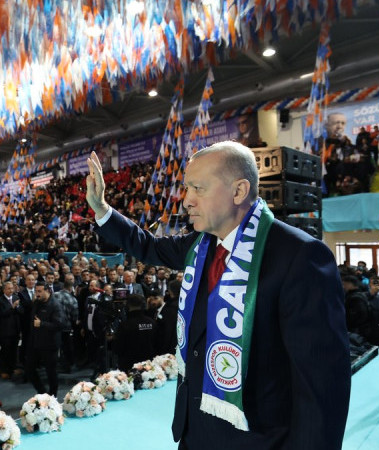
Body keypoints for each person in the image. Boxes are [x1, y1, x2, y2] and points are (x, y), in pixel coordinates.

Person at [85, 142, 350, 449]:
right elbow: (148, 246)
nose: (187, 201)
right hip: (195, 433)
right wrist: (102, 210)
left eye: (198, 188)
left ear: (238, 191)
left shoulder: (299, 256)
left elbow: (321, 385)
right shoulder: (199, 245)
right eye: (187, 188)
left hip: (257, 441)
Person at [25, 283, 63, 396]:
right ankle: (42, 393)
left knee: (51, 372)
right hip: (35, 342)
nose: (37, 294)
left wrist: (42, 324)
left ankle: (53, 396)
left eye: (40, 291)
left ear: (48, 291)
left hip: (50, 343)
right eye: (36, 291)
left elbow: (60, 325)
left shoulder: (55, 305)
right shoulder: (37, 302)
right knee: (29, 369)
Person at [113, 294, 156, 372]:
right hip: (149, 364)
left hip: (129, 365)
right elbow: (157, 342)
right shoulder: (151, 322)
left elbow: (118, 347)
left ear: (128, 305)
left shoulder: (125, 325)